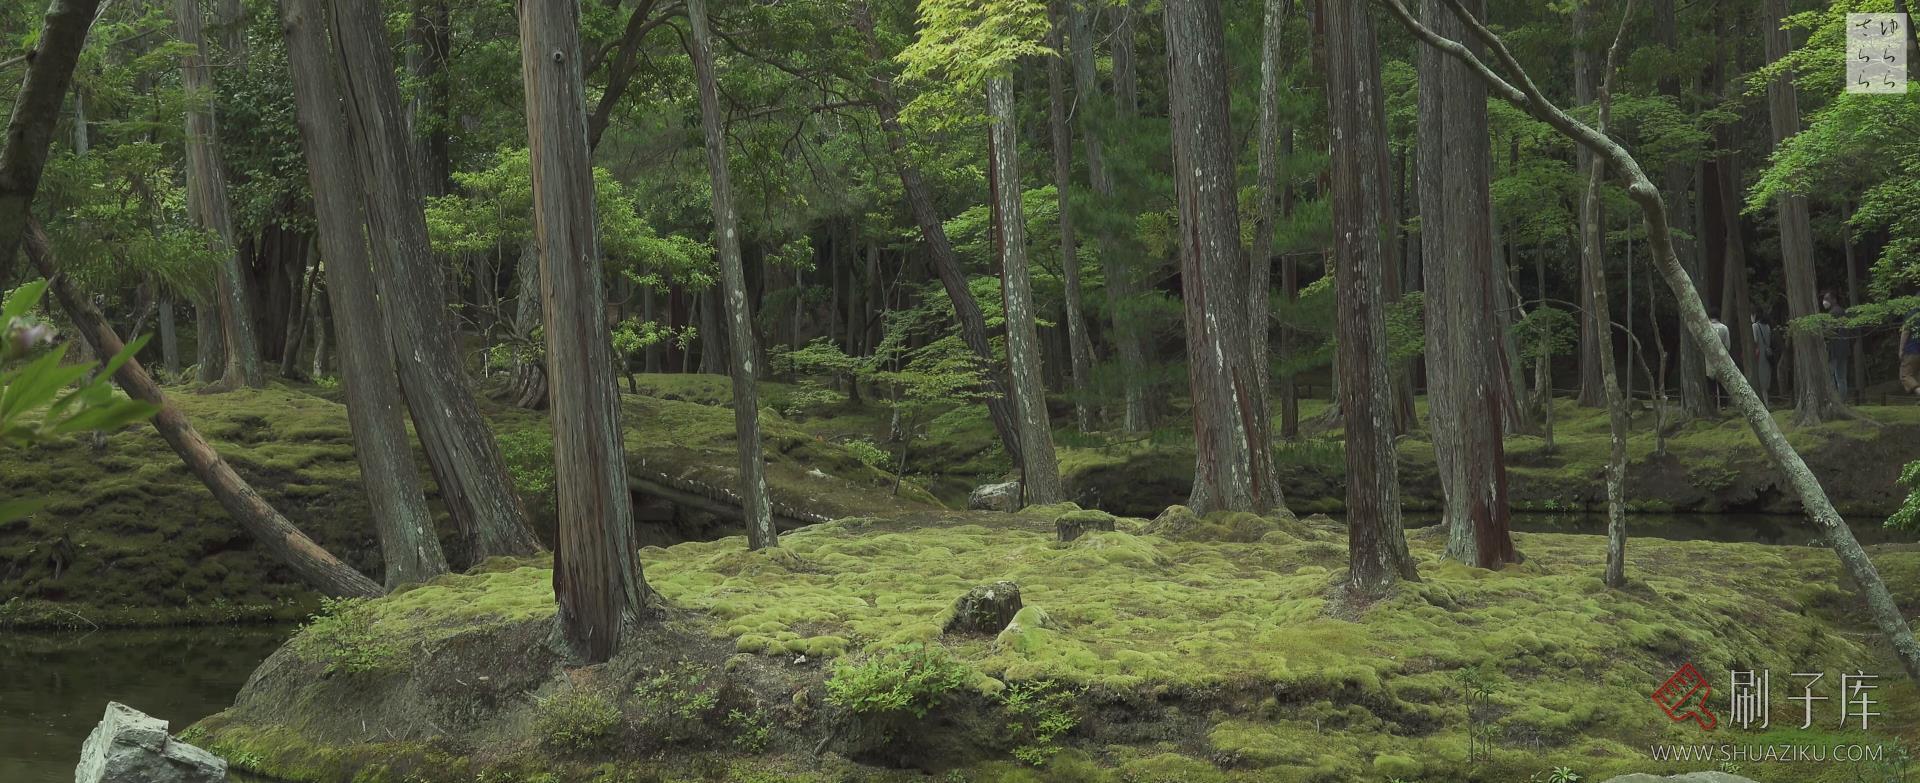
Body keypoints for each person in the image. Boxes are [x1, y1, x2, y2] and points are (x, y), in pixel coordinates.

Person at [1822, 291, 1852, 401]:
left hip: (1834, 350)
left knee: (1830, 376)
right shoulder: (1843, 312)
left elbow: (1829, 331)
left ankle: (1834, 401)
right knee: (1841, 378)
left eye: (1827, 299)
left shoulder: (1833, 313)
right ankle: (1842, 401)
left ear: (1834, 300)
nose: (1825, 301)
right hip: (1844, 350)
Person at [1709, 310, 1731, 406]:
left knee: (1711, 383)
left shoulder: (1707, 327)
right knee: (1722, 383)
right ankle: (1723, 405)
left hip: (1709, 358)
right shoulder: (1724, 328)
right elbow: (1728, 345)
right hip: (1722, 357)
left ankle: (1713, 404)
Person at [1751, 313, 1774, 406]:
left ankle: (1763, 403)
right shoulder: (1767, 326)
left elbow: (1755, 339)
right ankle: (1766, 402)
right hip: (1767, 354)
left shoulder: (1755, 326)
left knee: (1759, 378)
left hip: (1759, 355)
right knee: (1765, 378)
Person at [1902, 308, 1920, 399]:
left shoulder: (1912, 313)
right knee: (1917, 376)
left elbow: (1905, 332)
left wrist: (1901, 349)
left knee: (1906, 375)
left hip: (1912, 350)